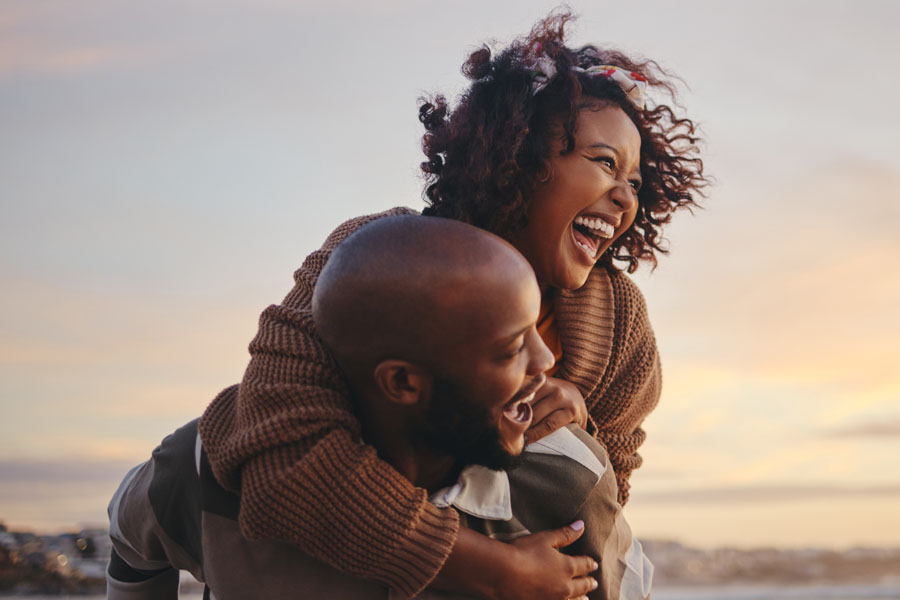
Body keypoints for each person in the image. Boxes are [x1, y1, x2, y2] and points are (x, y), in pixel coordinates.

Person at [198, 10, 707, 600]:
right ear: (521, 157)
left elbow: (603, 502)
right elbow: (282, 451)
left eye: (637, 182)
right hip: (331, 564)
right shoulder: (374, 258)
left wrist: (580, 424)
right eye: (603, 162)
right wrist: (485, 568)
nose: (624, 197)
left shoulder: (619, 323)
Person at [106, 216, 650, 599]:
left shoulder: (570, 480)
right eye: (511, 348)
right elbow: (131, 542)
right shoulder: (211, 465)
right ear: (403, 382)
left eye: (537, 328)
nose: (544, 361)